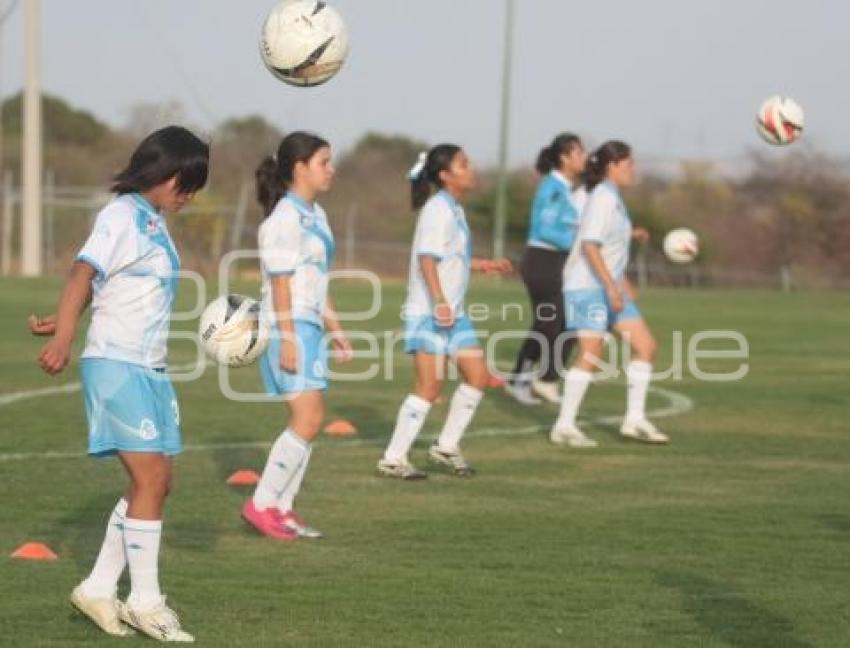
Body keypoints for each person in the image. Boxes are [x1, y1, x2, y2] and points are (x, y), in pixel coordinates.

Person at [29, 126, 208, 641]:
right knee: (150, 478)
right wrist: (64, 335)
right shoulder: (122, 214)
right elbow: (83, 273)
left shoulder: (154, 221)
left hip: (149, 367)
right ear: (166, 173)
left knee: (156, 481)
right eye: (188, 183)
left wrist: (68, 318)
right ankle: (146, 602)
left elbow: (109, 285)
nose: (190, 196)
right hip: (116, 364)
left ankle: (99, 587)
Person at [377, 145, 512, 479]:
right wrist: (438, 301)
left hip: (452, 312)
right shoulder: (437, 209)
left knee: (478, 377)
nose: (472, 169)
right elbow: (426, 259)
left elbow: (452, 258)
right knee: (429, 388)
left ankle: (445, 447)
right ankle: (393, 458)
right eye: (464, 164)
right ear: (445, 175)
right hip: (430, 312)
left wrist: (483, 265)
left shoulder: (454, 209)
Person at [242, 132, 352, 540]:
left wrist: (335, 328)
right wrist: (288, 337)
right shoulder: (283, 220)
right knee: (306, 419)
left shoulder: (316, 215)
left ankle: (283, 509)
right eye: (324, 161)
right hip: (286, 326)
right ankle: (261, 503)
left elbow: (316, 282)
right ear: (299, 167)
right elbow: (282, 284)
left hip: (307, 325)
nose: (331, 169)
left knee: (312, 419)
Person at [551, 140, 668, 448]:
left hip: (607, 285)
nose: (633, 170)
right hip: (586, 287)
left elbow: (611, 246)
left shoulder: (613, 197)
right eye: (628, 164)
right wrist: (609, 286)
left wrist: (621, 282)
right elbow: (590, 246)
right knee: (591, 354)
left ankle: (634, 419)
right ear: (611, 166)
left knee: (646, 346)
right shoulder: (602, 197)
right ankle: (563, 425)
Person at [505, 133, 588, 406]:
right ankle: (538, 379)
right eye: (579, 153)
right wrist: (576, 243)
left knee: (548, 323)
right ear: (564, 157)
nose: (584, 158)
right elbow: (544, 228)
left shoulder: (564, 188)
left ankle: (522, 379)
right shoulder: (553, 187)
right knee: (555, 322)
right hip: (543, 260)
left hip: (552, 261)